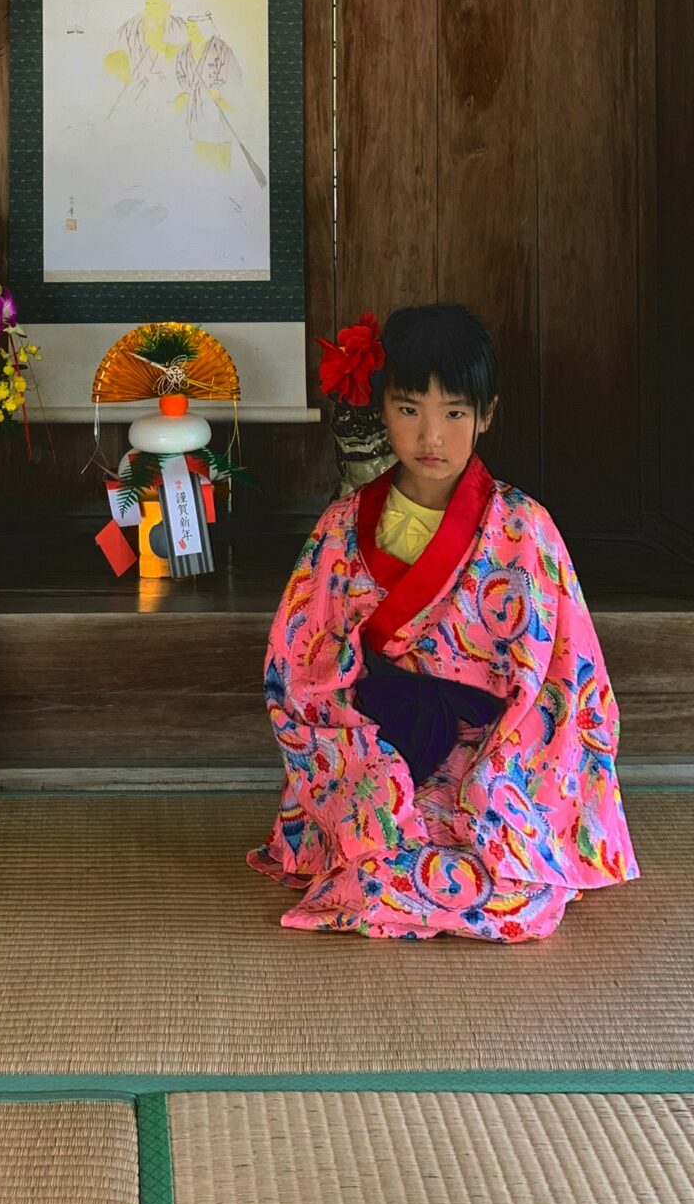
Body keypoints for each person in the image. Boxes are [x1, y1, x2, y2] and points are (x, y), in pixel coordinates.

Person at [250, 303, 635, 941]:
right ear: (382, 409)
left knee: (501, 881)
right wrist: (371, 772)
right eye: (409, 409)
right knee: (374, 873)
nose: (432, 437)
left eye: (454, 412)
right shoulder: (342, 530)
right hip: (378, 748)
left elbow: (568, 682)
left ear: (486, 414)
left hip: (492, 754)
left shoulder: (524, 529)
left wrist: (492, 778)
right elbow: (299, 676)